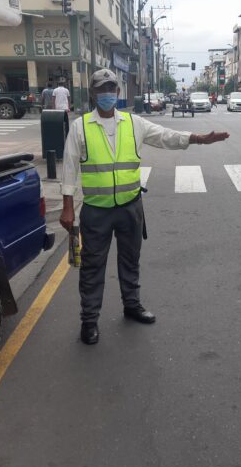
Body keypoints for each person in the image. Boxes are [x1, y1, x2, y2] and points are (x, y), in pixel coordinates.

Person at [59, 69, 229, 345]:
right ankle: (89, 319)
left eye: (111, 89)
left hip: (130, 207)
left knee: (130, 260)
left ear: (117, 93)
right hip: (96, 210)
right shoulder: (80, 127)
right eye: (101, 90)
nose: (107, 94)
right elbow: (69, 167)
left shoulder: (133, 123)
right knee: (92, 267)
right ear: (92, 93)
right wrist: (67, 207)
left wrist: (198, 139)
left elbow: (165, 136)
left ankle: (132, 305)